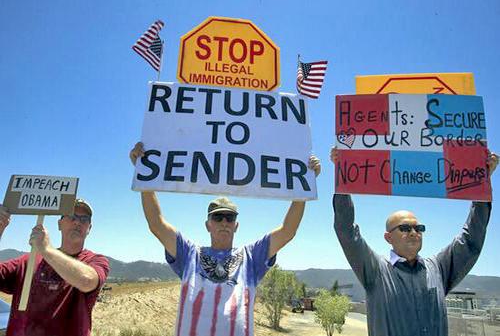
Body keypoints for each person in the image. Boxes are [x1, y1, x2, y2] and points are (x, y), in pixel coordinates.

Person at [129, 142, 321, 336]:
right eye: (217, 217)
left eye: (229, 218)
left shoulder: (252, 257)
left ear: (236, 225)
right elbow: (156, 224)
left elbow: (288, 231)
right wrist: (144, 175)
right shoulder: (189, 254)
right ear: (207, 224)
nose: (224, 222)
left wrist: (304, 186)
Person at [330, 147, 498, 336]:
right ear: (388, 237)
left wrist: (482, 183)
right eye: (404, 228)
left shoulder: (438, 268)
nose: (413, 232)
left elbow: (470, 241)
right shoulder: (375, 270)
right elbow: (346, 231)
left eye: (419, 228)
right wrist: (342, 176)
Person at [0, 199, 109, 336]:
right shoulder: (29, 261)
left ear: (89, 228)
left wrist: (47, 250)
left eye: (84, 219)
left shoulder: (95, 261)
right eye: (71, 216)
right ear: (59, 224)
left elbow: (87, 281)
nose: (77, 222)